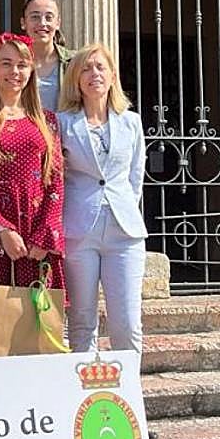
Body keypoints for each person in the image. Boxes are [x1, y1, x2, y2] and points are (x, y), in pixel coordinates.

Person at [0, 32, 66, 322]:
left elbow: (56, 181)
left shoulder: (47, 121)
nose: (14, 71)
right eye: (6, 63)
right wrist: (2, 229)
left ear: (31, 70)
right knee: (1, 323)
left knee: (39, 319)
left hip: (37, 233)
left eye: (22, 64)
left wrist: (46, 233)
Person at [58, 43, 148, 353]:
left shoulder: (131, 121)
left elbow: (135, 176)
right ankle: (83, 381)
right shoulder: (62, 123)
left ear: (112, 76)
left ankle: (129, 383)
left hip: (124, 232)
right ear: (76, 79)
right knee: (82, 320)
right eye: (85, 68)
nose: (93, 73)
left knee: (127, 322)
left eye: (100, 67)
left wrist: (121, 205)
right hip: (79, 231)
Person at [20, 0, 74, 112]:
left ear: (58, 23)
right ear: (23, 23)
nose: (42, 23)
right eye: (35, 17)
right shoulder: (13, 63)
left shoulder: (73, 62)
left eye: (49, 17)